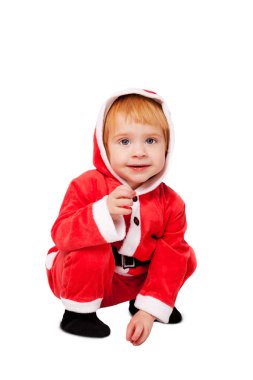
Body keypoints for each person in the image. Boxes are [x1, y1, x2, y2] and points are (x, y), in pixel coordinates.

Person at [46, 88, 197, 346]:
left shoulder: (172, 203)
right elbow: (62, 234)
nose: (139, 152)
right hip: (79, 277)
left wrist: (149, 311)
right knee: (92, 251)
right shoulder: (86, 185)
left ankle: (144, 302)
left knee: (184, 256)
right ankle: (78, 314)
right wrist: (103, 211)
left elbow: (171, 257)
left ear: (167, 146)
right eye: (124, 141)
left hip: (131, 280)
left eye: (151, 141)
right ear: (104, 147)